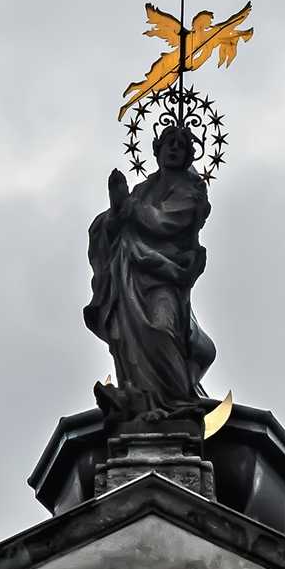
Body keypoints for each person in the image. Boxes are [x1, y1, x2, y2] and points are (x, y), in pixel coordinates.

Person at [83, 122, 218, 425]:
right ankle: (142, 399)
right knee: (130, 341)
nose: (173, 149)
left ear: (188, 155)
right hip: (130, 274)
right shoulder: (143, 189)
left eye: (180, 146)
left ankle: (177, 401)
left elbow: (167, 222)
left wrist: (126, 207)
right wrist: (115, 209)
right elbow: (112, 225)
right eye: (168, 143)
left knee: (159, 329)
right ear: (157, 150)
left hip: (164, 274)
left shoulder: (191, 190)